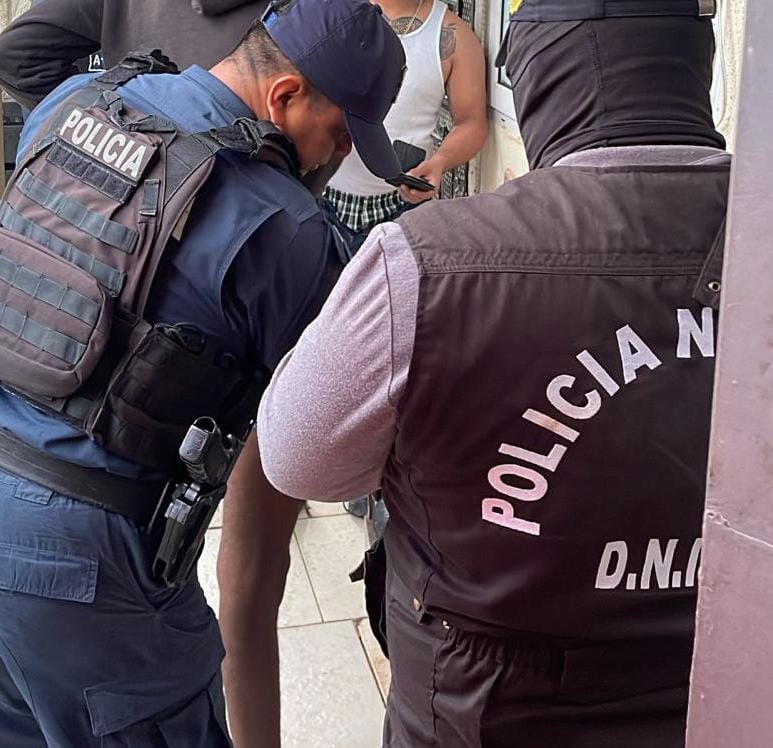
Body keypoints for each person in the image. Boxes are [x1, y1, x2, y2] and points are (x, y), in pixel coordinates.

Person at [0, 2, 405, 745]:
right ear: (285, 95)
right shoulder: (285, 227)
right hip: (68, 559)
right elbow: (326, 444)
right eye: (338, 135)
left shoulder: (78, 101)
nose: (334, 158)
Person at [257, 1, 729, 745]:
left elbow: (297, 458)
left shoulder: (429, 263)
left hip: (483, 708)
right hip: (726, 697)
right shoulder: (763, 233)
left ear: (541, 77)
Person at [324, 0, 487, 235]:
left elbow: (472, 122)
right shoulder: (331, 13)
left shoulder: (454, 36)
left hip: (404, 208)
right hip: (322, 193)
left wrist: (439, 162)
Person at [0, 0, 269, 110]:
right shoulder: (295, 13)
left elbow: (14, 58)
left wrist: (111, 130)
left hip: (131, 198)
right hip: (248, 202)